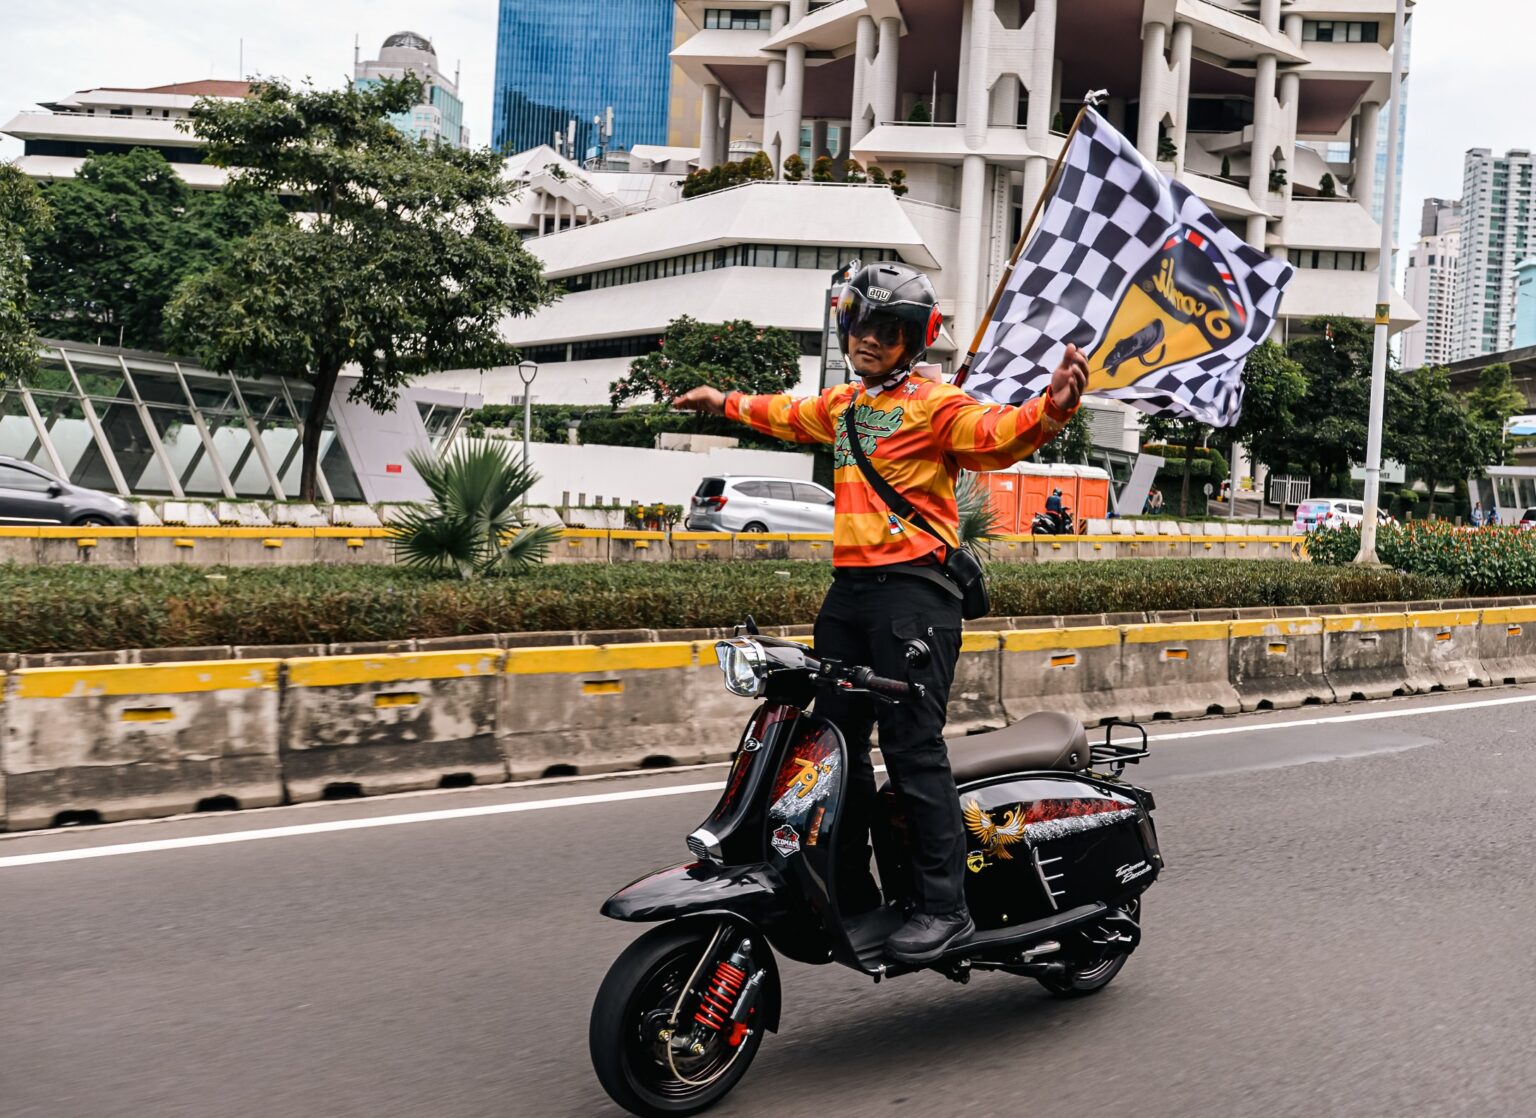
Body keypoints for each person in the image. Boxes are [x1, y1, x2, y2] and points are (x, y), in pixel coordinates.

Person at [673, 261, 1087, 963]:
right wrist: (722, 402)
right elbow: (783, 413)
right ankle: (851, 888)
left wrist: (1052, 407)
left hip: (913, 598)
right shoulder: (843, 405)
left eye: (888, 330)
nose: (869, 339)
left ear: (912, 341)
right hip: (849, 596)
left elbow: (997, 435)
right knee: (833, 747)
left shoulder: (936, 404)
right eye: (861, 324)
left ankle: (943, 907)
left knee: (911, 748)